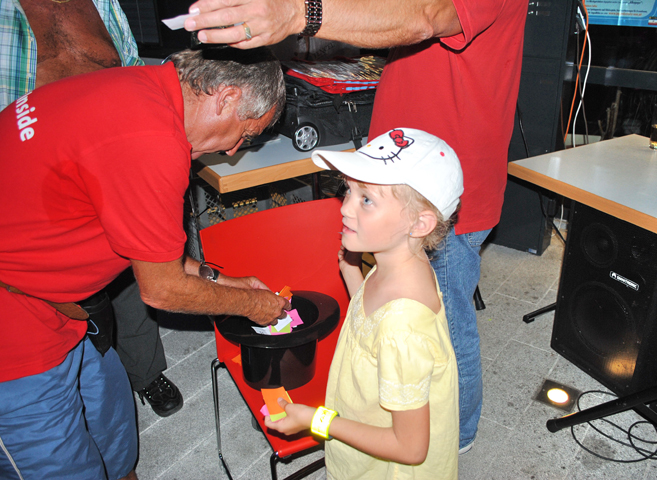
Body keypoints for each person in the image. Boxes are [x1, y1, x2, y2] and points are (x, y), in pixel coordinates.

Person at [184, 0, 528, 453]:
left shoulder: (410, 301)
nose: (342, 209)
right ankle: (388, 405)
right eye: (345, 194)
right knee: (391, 297)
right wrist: (354, 259)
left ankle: (455, 436)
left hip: (432, 187)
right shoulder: (377, 224)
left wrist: (297, 14)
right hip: (389, 180)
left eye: (354, 198)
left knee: (447, 327)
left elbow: (428, 15)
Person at [0, 47, 289, 480]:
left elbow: (154, 251)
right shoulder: (154, 141)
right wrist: (252, 306)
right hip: (15, 325)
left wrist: (226, 281)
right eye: (245, 134)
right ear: (227, 97)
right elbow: (161, 289)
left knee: (114, 430)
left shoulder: (138, 87)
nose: (233, 151)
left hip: (65, 306)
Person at [0, 0, 183, 418]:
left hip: (117, 162)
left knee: (139, 276)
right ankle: (72, 384)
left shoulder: (103, 3)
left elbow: (134, 72)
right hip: (39, 184)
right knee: (50, 299)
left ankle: (146, 372)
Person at [266, 128, 461, 478]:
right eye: (348, 190)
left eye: (366, 200)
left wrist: (316, 420)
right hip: (363, 441)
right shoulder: (398, 266)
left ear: (419, 223)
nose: (344, 207)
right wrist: (351, 272)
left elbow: (410, 447)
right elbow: (371, 325)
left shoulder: (404, 329)